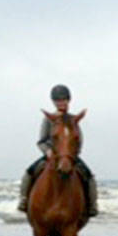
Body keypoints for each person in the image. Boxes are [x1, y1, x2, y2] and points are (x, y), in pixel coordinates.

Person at [17, 84, 99, 218]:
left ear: (69, 100)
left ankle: (92, 205)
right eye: (58, 100)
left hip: (70, 155)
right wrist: (48, 151)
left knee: (89, 176)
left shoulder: (74, 119)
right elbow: (41, 141)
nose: (61, 103)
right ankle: (24, 200)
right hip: (52, 155)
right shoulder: (49, 119)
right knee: (29, 172)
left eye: (64, 100)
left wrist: (73, 154)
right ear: (54, 102)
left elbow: (78, 140)